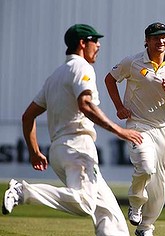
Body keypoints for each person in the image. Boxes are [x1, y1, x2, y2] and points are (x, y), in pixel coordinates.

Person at [2, 24, 143, 236]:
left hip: (59, 149)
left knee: (109, 213)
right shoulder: (82, 68)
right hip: (78, 146)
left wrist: (33, 152)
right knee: (85, 203)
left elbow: (27, 116)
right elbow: (85, 104)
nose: (99, 45)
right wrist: (120, 131)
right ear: (82, 43)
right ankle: (23, 192)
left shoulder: (56, 76)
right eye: (94, 41)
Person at [104, 22, 165, 236]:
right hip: (139, 124)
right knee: (146, 167)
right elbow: (110, 79)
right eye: (156, 38)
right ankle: (135, 202)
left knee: (159, 184)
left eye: (164, 37)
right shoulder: (133, 62)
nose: (161, 41)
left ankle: (146, 227)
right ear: (147, 40)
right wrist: (119, 107)